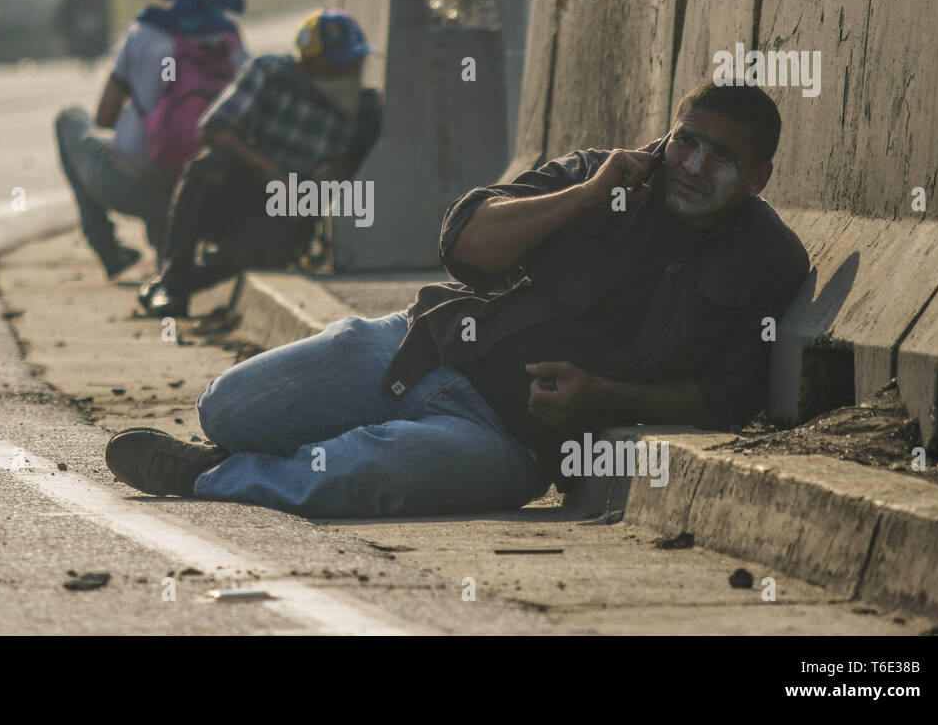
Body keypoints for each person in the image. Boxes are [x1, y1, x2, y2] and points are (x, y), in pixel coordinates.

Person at [105, 79, 810, 518]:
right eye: (686, 142)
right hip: (418, 348)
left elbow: (723, 397)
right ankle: (234, 448)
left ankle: (212, 478)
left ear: (758, 176)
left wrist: (601, 395)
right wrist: (587, 196)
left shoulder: (767, 263)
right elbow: (465, 242)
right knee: (226, 406)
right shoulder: (601, 175)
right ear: (666, 137)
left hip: (506, 439)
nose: (692, 166)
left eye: (720, 158)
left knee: (361, 473)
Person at [137, 9, 384, 317]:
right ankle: (173, 280)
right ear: (310, 63)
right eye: (340, 64)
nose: (349, 71)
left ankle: (176, 285)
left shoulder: (365, 111)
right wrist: (273, 172)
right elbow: (213, 130)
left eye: (354, 63)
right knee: (208, 168)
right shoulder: (271, 73)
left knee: (266, 247)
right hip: (244, 185)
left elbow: (352, 171)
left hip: (288, 206)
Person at [54, 0, 248, 278]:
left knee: (69, 120)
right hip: (201, 194)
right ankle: (168, 255)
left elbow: (104, 116)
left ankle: (107, 248)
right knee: (178, 160)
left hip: (130, 188)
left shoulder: (143, 33)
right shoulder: (230, 42)